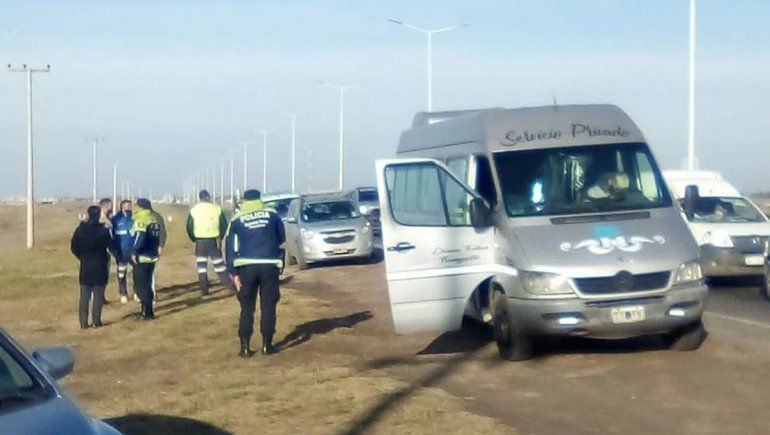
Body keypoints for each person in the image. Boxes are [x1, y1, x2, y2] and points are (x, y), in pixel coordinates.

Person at [225, 189, 285, 357]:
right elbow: (281, 238)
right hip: (269, 265)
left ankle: (245, 346)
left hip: (245, 266)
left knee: (246, 307)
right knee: (268, 304)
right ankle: (267, 344)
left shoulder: (236, 219)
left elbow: (231, 247)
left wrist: (233, 272)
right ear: (260, 199)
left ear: (244, 200)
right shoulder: (272, 214)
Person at [70, 206, 113, 329]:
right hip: (100, 264)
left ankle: (83, 323)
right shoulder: (103, 231)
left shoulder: (80, 230)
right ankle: (96, 321)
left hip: (86, 265)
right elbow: (110, 245)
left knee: (84, 297)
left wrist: (81, 257)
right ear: (98, 215)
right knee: (98, 296)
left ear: (88, 215)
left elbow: (73, 247)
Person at [187, 190, 232, 295]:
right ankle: (229, 286)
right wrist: (220, 237)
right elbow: (223, 224)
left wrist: (194, 239)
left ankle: (204, 288)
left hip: (200, 241)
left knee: (201, 266)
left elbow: (189, 227)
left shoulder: (194, 210)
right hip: (213, 240)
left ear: (200, 198)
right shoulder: (216, 209)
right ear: (209, 197)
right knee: (219, 264)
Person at [129, 198, 161, 320]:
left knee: (141, 286)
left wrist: (134, 252)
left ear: (140, 207)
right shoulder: (153, 218)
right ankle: (147, 311)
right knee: (147, 284)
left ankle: (147, 313)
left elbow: (140, 238)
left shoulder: (141, 220)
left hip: (142, 257)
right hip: (152, 256)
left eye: (136, 205)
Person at [111, 200, 135, 304]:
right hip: (121, 252)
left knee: (136, 274)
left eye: (129, 206)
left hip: (134, 252)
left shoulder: (135, 218)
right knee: (121, 274)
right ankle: (123, 294)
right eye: (125, 207)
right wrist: (114, 251)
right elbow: (111, 236)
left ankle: (137, 292)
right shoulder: (115, 219)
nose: (127, 208)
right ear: (121, 208)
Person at [150, 207, 168, 301]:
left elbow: (162, 232)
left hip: (149, 249)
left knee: (149, 273)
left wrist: (160, 245)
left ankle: (151, 295)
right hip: (147, 249)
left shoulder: (156, 217)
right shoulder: (134, 216)